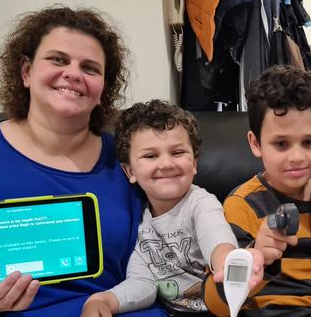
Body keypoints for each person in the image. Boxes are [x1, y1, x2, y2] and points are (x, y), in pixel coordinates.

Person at [0, 6, 166, 316]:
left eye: (90, 68)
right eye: (58, 60)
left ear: (102, 91)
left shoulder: (129, 162)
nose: (73, 73)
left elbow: (174, 241)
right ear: (26, 72)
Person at [81, 100, 264, 317]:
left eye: (177, 153)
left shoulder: (201, 203)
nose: (166, 164)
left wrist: (225, 260)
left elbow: (215, 235)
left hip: (224, 308)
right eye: (150, 156)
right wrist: (104, 300)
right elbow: (143, 283)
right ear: (129, 171)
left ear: (194, 163)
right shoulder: (137, 222)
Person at [204, 66, 311, 316]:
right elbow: (217, 303)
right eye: (281, 144)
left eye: (309, 142)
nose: (296, 157)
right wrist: (255, 257)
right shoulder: (243, 204)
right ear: (255, 143)